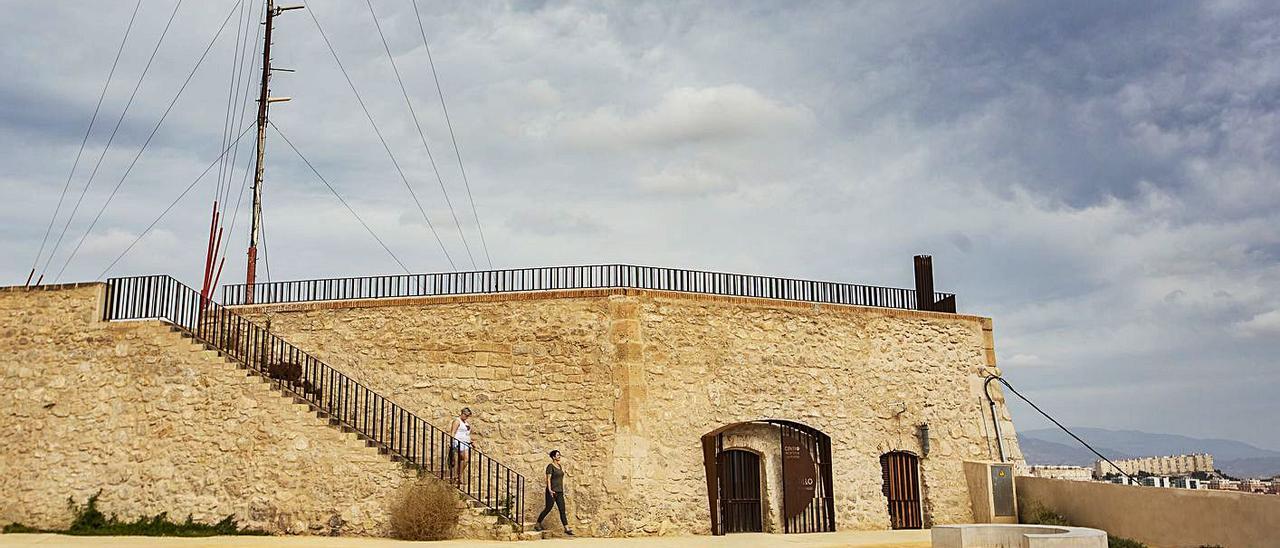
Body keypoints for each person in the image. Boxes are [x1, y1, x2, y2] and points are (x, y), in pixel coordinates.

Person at [535, 450, 574, 535]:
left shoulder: (559, 466)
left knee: (562, 509)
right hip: (552, 491)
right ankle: (538, 523)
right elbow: (548, 479)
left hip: (559, 491)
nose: (559, 456)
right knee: (548, 508)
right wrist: (550, 490)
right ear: (553, 457)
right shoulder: (550, 466)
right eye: (557, 455)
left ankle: (566, 528)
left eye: (559, 455)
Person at [449, 408, 474, 486]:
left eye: (468, 416)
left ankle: (457, 476)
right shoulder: (457, 421)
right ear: (462, 413)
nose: (467, 417)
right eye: (466, 415)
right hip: (459, 442)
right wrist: (452, 442)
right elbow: (453, 432)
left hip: (466, 442)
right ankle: (457, 476)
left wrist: (471, 442)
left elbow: (467, 434)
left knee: (463, 460)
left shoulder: (465, 423)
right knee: (465, 459)